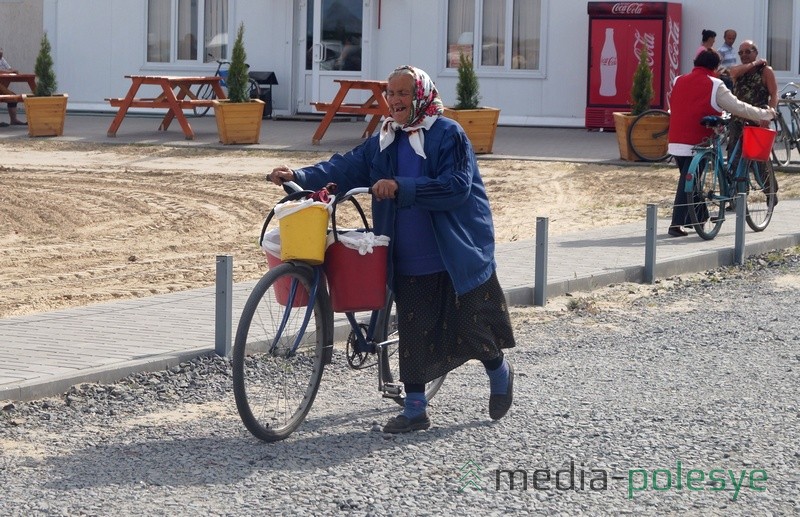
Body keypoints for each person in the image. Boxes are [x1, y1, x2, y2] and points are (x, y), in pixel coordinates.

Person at [268, 65, 515, 433]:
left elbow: (457, 187)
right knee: (415, 325)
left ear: (421, 95)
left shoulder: (448, 134)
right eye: (391, 93)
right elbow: (346, 167)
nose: (395, 100)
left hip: (455, 248)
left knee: (474, 324)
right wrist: (300, 176)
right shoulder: (385, 137)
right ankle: (415, 409)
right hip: (407, 252)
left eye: (403, 92)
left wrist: (403, 187)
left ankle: (499, 371)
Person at [667, 49, 775, 237]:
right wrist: (765, 114)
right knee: (689, 181)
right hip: (699, 141)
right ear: (716, 66)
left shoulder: (678, 80)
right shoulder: (715, 85)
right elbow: (739, 107)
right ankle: (676, 224)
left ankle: (699, 217)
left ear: (695, 62)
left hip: (675, 140)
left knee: (691, 181)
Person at [727, 40, 779, 204]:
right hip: (737, 121)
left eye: (747, 52)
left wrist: (768, 114)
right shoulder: (740, 71)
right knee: (734, 160)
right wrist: (754, 63)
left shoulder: (766, 72)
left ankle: (770, 193)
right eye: (741, 52)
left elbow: (774, 94)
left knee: (759, 161)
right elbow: (733, 72)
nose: (744, 55)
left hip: (757, 121)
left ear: (755, 51)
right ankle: (737, 198)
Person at [0, 47, 27, 127]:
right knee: (12, 97)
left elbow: (10, 69)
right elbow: (10, 71)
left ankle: (14, 120)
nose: (1, 53)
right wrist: (10, 71)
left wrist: (11, 71)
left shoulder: (2, 59)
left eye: (1, 51)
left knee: (12, 97)